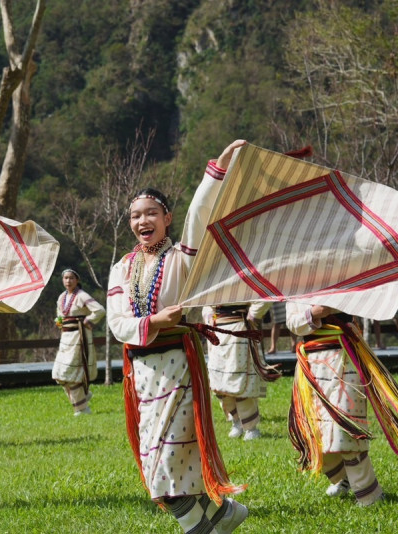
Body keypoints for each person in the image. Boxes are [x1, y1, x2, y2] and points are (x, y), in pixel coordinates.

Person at [107, 140, 250, 533]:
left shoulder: (181, 259)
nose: (142, 221)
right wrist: (154, 321)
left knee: (165, 474)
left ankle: (207, 525)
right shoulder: (121, 268)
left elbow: (201, 215)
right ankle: (225, 515)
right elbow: (117, 323)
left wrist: (215, 172)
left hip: (178, 370)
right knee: (168, 468)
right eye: (135, 215)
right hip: (142, 377)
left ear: (167, 217)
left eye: (150, 212)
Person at [286, 302, 398, 507]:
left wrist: (336, 305)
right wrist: (313, 313)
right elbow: (292, 322)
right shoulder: (296, 286)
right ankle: (343, 479)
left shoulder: (344, 274)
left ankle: (370, 496)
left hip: (346, 357)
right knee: (314, 437)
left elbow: (366, 302)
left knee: (348, 432)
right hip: (311, 367)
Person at [202, 302, 275, 440]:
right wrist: (209, 318)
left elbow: (263, 297)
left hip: (240, 328)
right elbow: (207, 301)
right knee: (219, 383)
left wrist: (252, 316)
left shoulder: (246, 279)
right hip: (217, 331)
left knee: (241, 380)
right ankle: (236, 421)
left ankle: (250, 428)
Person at [52, 268, 105, 415]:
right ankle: (82, 395)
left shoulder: (82, 296)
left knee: (71, 372)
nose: (68, 281)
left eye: (71, 278)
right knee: (59, 374)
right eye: (66, 278)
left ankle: (82, 409)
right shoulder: (62, 297)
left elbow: (99, 310)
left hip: (79, 338)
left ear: (77, 280)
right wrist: (60, 322)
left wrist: (87, 322)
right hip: (65, 339)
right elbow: (60, 314)